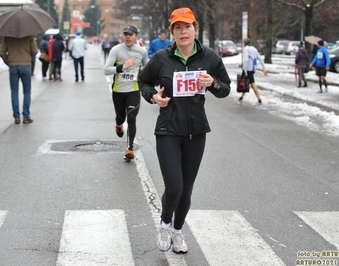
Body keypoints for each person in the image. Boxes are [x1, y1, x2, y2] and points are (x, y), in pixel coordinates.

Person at [138, 7, 231, 254]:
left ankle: (178, 231)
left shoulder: (209, 57)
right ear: (172, 32)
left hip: (196, 132)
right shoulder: (161, 58)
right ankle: (165, 224)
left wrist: (213, 83)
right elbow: (143, 81)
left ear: (195, 29)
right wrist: (153, 96)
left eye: (187, 26)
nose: (183, 31)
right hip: (168, 130)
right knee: (175, 186)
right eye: (177, 27)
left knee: (187, 190)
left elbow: (226, 89)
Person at [103, 25, 148, 161]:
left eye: (131, 34)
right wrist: (123, 67)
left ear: (136, 36)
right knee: (121, 117)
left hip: (133, 90)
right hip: (118, 90)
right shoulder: (116, 50)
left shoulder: (142, 52)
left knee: (132, 118)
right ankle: (118, 124)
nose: (128, 37)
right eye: (125, 34)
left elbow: (147, 68)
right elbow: (106, 70)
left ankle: (129, 148)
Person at [0, 36, 38, 124]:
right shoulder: (29, 36)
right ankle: (26, 116)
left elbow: (2, 52)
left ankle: (16, 117)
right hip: (26, 65)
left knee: (14, 92)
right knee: (27, 92)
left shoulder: (7, 37)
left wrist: (8, 61)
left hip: (13, 65)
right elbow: (35, 51)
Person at [239, 38, 268, 104]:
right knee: (247, 82)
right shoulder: (254, 49)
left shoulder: (246, 49)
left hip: (248, 68)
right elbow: (260, 59)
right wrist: (264, 68)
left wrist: (244, 69)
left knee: (252, 83)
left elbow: (246, 59)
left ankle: (259, 98)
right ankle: (242, 96)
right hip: (253, 68)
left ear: (244, 43)